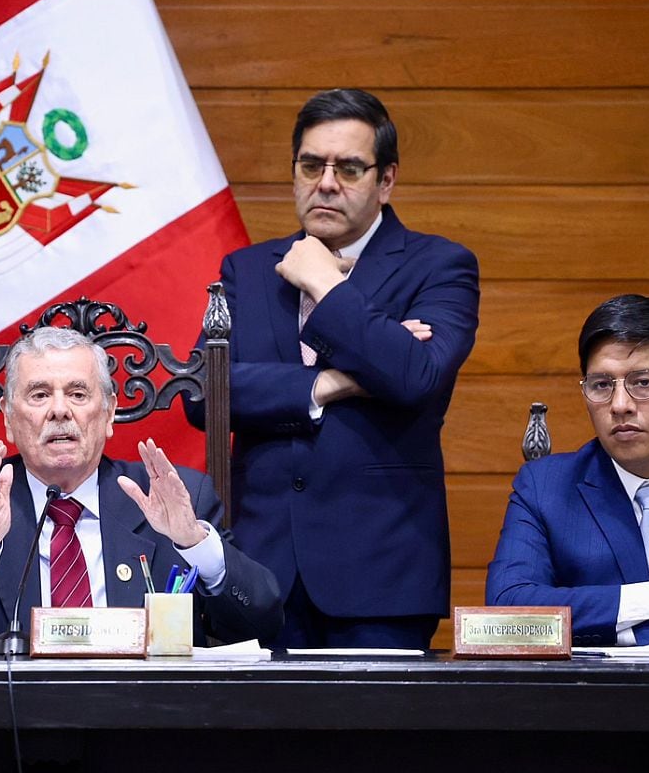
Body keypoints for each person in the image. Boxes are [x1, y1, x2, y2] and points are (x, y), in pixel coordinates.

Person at [188, 88, 480, 650]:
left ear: (386, 180)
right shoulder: (248, 270)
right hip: (261, 569)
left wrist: (325, 282)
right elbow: (204, 393)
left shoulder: (439, 265)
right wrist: (328, 385)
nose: (326, 182)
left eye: (349, 168)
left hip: (381, 573)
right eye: (311, 164)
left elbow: (415, 376)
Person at [0, 327, 283, 649]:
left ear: (109, 413)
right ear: (8, 419)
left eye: (77, 394)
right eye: (39, 395)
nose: (60, 411)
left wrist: (194, 542)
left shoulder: (175, 500)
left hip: (145, 724)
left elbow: (263, 621)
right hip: (12, 727)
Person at [486, 295, 649, 650]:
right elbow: (509, 616)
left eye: (643, 382)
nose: (620, 405)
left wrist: (612, 631)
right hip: (588, 703)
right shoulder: (546, 487)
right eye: (601, 385)